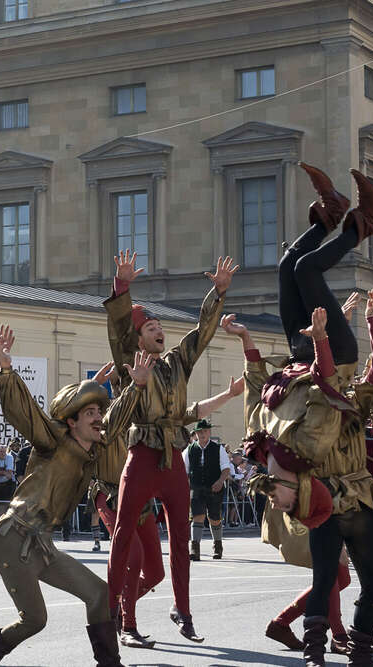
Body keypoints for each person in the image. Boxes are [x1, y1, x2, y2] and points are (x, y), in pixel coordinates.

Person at [234, 163, 373, 666]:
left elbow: (259, 392)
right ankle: (361, 222)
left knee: (288, 269)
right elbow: (330, 386)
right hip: (330, 358)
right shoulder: (307, 445)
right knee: (304, 271)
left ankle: (332, 219)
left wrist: (248, 345)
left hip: (300, 358)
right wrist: (331, 337)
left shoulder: (277, 442)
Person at [0, 326, 126, 667]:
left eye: (99, 413)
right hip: (14, 536)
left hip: (43, 544)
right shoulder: (52, 440)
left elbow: (119, 435)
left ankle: (109, 664)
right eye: (90, 414)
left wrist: (119, 389)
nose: (99, 419)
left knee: (98, 594)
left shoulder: (92, 456)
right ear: (70, 422)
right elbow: (26, 412)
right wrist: (5, 370)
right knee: (34, 620)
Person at [104, 249, 237, 642]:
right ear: (139, 337)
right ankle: (110, 611)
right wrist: (122, 286)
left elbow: (203, 332)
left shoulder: (178, 361)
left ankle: (182, 609)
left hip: (173, 457)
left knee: (181, 537)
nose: (160, 330)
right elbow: (118, 328)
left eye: (161, 326)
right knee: (123, 532)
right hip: (142, 454)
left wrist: (218, 295)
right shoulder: (130, 360)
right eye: (151, 327)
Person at [183, 419, 233, 561]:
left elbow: (226, 468)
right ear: (196, 434)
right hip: (196, 488)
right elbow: (184, 470)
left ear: (209, 432)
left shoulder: (218, 448)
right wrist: (187, 486)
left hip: (214, 487)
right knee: (197, 516)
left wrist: (220, 481)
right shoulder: (189, 449)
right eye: (200, 432)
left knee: (214, 518)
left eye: (205, 431)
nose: (202, 434)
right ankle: (195, 548)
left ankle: (217, 546)